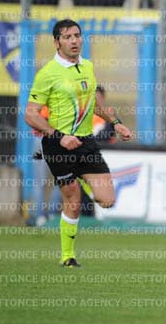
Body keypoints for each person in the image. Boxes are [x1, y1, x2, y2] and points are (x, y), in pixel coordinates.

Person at [24, 19, 133, 267]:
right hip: (58, 144)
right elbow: (30, 115)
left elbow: (95, 103)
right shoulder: (47, 74)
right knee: (72, 200)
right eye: (67, 37)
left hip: (86, 143)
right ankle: (67, 256)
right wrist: (59, 136)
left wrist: (116, 123)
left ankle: (83, 179)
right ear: (57, 42)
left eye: (77, 35)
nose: (74, 41)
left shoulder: (87, 66)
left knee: (107, 200)